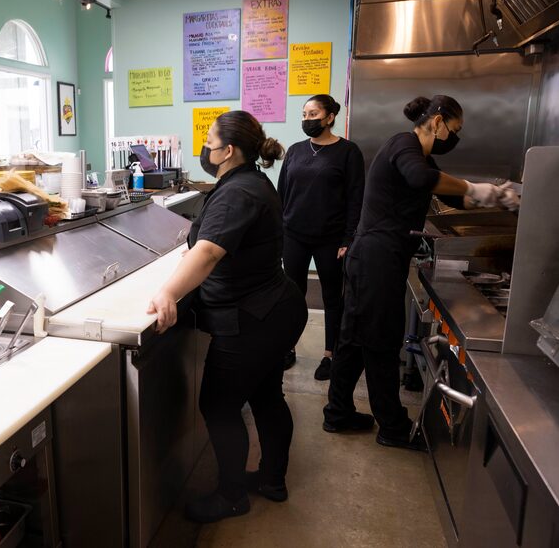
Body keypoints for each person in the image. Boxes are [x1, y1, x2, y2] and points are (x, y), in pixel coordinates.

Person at [322, 95, 519, 451]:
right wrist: (475, 188)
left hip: (370, 259)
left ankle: (337, 412)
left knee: (353, 341)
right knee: (381, 344)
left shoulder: (418, 155)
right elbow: (421, 177)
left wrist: (496, 197)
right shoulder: (404, 144)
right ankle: (393, 428)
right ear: (438, 122)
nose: (453, 138)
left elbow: (454, 198)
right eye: (454, 130)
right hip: (376, 261)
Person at [148, 111, 308, 523]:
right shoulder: (249, 182)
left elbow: (209, 251)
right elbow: (220, 242)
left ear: (228, 151)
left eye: (209, 140)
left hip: (253, 318)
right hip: (275, 309)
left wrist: (168, 290)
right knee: (267, 395)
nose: (205, 147)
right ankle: (272, 479)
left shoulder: (238, 192)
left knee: (218, 406)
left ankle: (232, 495)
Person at [278, 94, 365, 379]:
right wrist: (278, 232)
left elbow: (356, 199)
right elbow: (282, 194)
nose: (307, 119)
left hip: (331, 238)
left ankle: (331, 354)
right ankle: (286, 348)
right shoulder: (295, 150)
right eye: (304, 114)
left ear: (329, 117)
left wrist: (348, 238)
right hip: (294, 235)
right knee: (292, 295)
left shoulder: (348, 152)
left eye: (313, 114)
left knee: (332, 298)